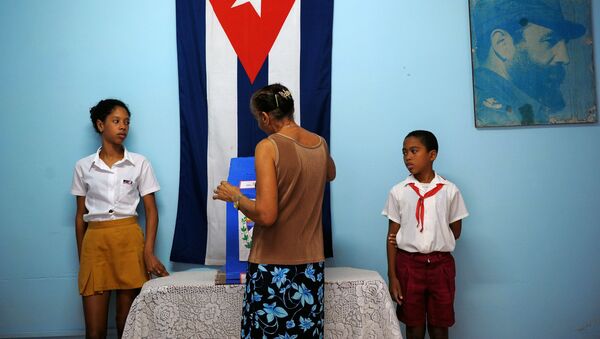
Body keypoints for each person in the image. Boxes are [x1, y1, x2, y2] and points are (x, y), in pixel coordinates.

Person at [212, 84, 336, 338]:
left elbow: (267, 215)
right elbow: (330, 173)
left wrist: (235, 196)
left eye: (258, 118)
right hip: (311, 266)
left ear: (265, 117)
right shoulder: (320, 144)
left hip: (274, 268)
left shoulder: (268, 147)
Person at [71, 99, 169, 338]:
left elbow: (152, 211)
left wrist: (148, 253)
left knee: (127, 325)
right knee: (95, 331)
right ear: (100, 125)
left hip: (129, 243)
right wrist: (83, 257)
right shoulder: (83, 166)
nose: (123, 126)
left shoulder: (139, 163)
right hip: (95, 244)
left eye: (126, 122)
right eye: (116, 121)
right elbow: (79, 216)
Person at [382, 130, 468, 339]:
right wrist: (393, 276)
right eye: (404, 152)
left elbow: (455, 231)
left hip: (441, 267)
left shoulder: (449, 190)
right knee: (413, 326)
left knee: (440, 327)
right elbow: (392, 237)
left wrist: (435, 239)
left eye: (413, 151)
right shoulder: (399, 191)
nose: (407, 157)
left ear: (432, 155)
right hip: (409, 266)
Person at [471, 0, 586, 126]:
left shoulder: (519, 107)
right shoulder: (492, 116)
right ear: (502, 43)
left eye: (565, 43)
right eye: (550, 41)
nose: (565, 58)